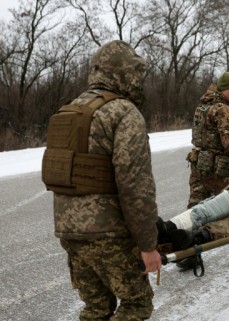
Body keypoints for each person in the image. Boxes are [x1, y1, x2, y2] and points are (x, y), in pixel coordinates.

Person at [41, 40, 161, 320]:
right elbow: (135, 186)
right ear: (125, 73)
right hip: (108, 234)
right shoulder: (124, 112)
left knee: (96, 309)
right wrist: (148, 245)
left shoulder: (68, 110)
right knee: (136, 305)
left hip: (69, 232)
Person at [180, 71, 229, 266]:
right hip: (219, 171)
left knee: (194, 209)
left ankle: (189, 254)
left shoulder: (202, 106)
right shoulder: (223, 110)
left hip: (199, 166)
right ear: (223, 89)